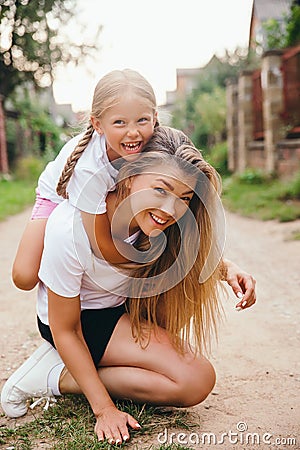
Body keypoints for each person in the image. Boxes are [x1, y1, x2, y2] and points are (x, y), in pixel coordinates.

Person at [1, 127, 256, 445]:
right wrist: (104, 409)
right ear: (128, 175)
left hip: (119, 307)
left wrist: (227, 268)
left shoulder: (160, 222)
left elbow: (187, 256)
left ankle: (83, 365)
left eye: (184, 198)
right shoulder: (69, 229)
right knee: (196, 381)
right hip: (78, 321)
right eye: (161, 190)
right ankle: (55, 376)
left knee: (192, 372)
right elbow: (64, 327)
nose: (170, 210)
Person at [12, 68, 158, 291]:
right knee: (24, 277)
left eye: (142, 120)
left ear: (154, 118)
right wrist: (145, 265)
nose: (133, 132)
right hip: (56, 198)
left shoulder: (157, 145)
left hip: (105, 196)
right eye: (119, 122)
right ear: (98, 124)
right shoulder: (90, 166)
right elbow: (101, 245)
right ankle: (58, 276)